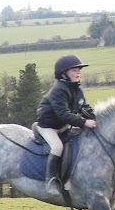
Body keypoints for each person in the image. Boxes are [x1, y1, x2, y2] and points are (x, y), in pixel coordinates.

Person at [36, 54, 97, 194]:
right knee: (57, 147)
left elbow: (84, 107)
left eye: (79, 70)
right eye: (74, 70)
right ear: (64, 73)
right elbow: (62, 114)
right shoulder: (58, 90)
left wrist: (94, 118)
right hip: (48, 127)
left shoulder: (76, 89)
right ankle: (50, 181)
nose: (78, 73)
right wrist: (84, 122)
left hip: (63, 126)